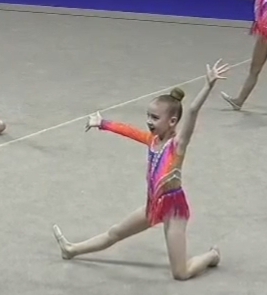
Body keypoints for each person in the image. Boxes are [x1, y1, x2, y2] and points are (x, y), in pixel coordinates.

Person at [51, 61, 232, 281]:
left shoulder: (177, 144)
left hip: (174, 209)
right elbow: (129, 131)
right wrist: (103, 123)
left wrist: (208, 86)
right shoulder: (152, 140)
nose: (149, 121)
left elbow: (193, 111)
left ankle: (212, 255)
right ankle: (71, 249)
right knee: (115, 232)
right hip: (154, 204)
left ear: (172, 121)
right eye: (148, 116)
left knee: (180, 273)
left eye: (155, 118)